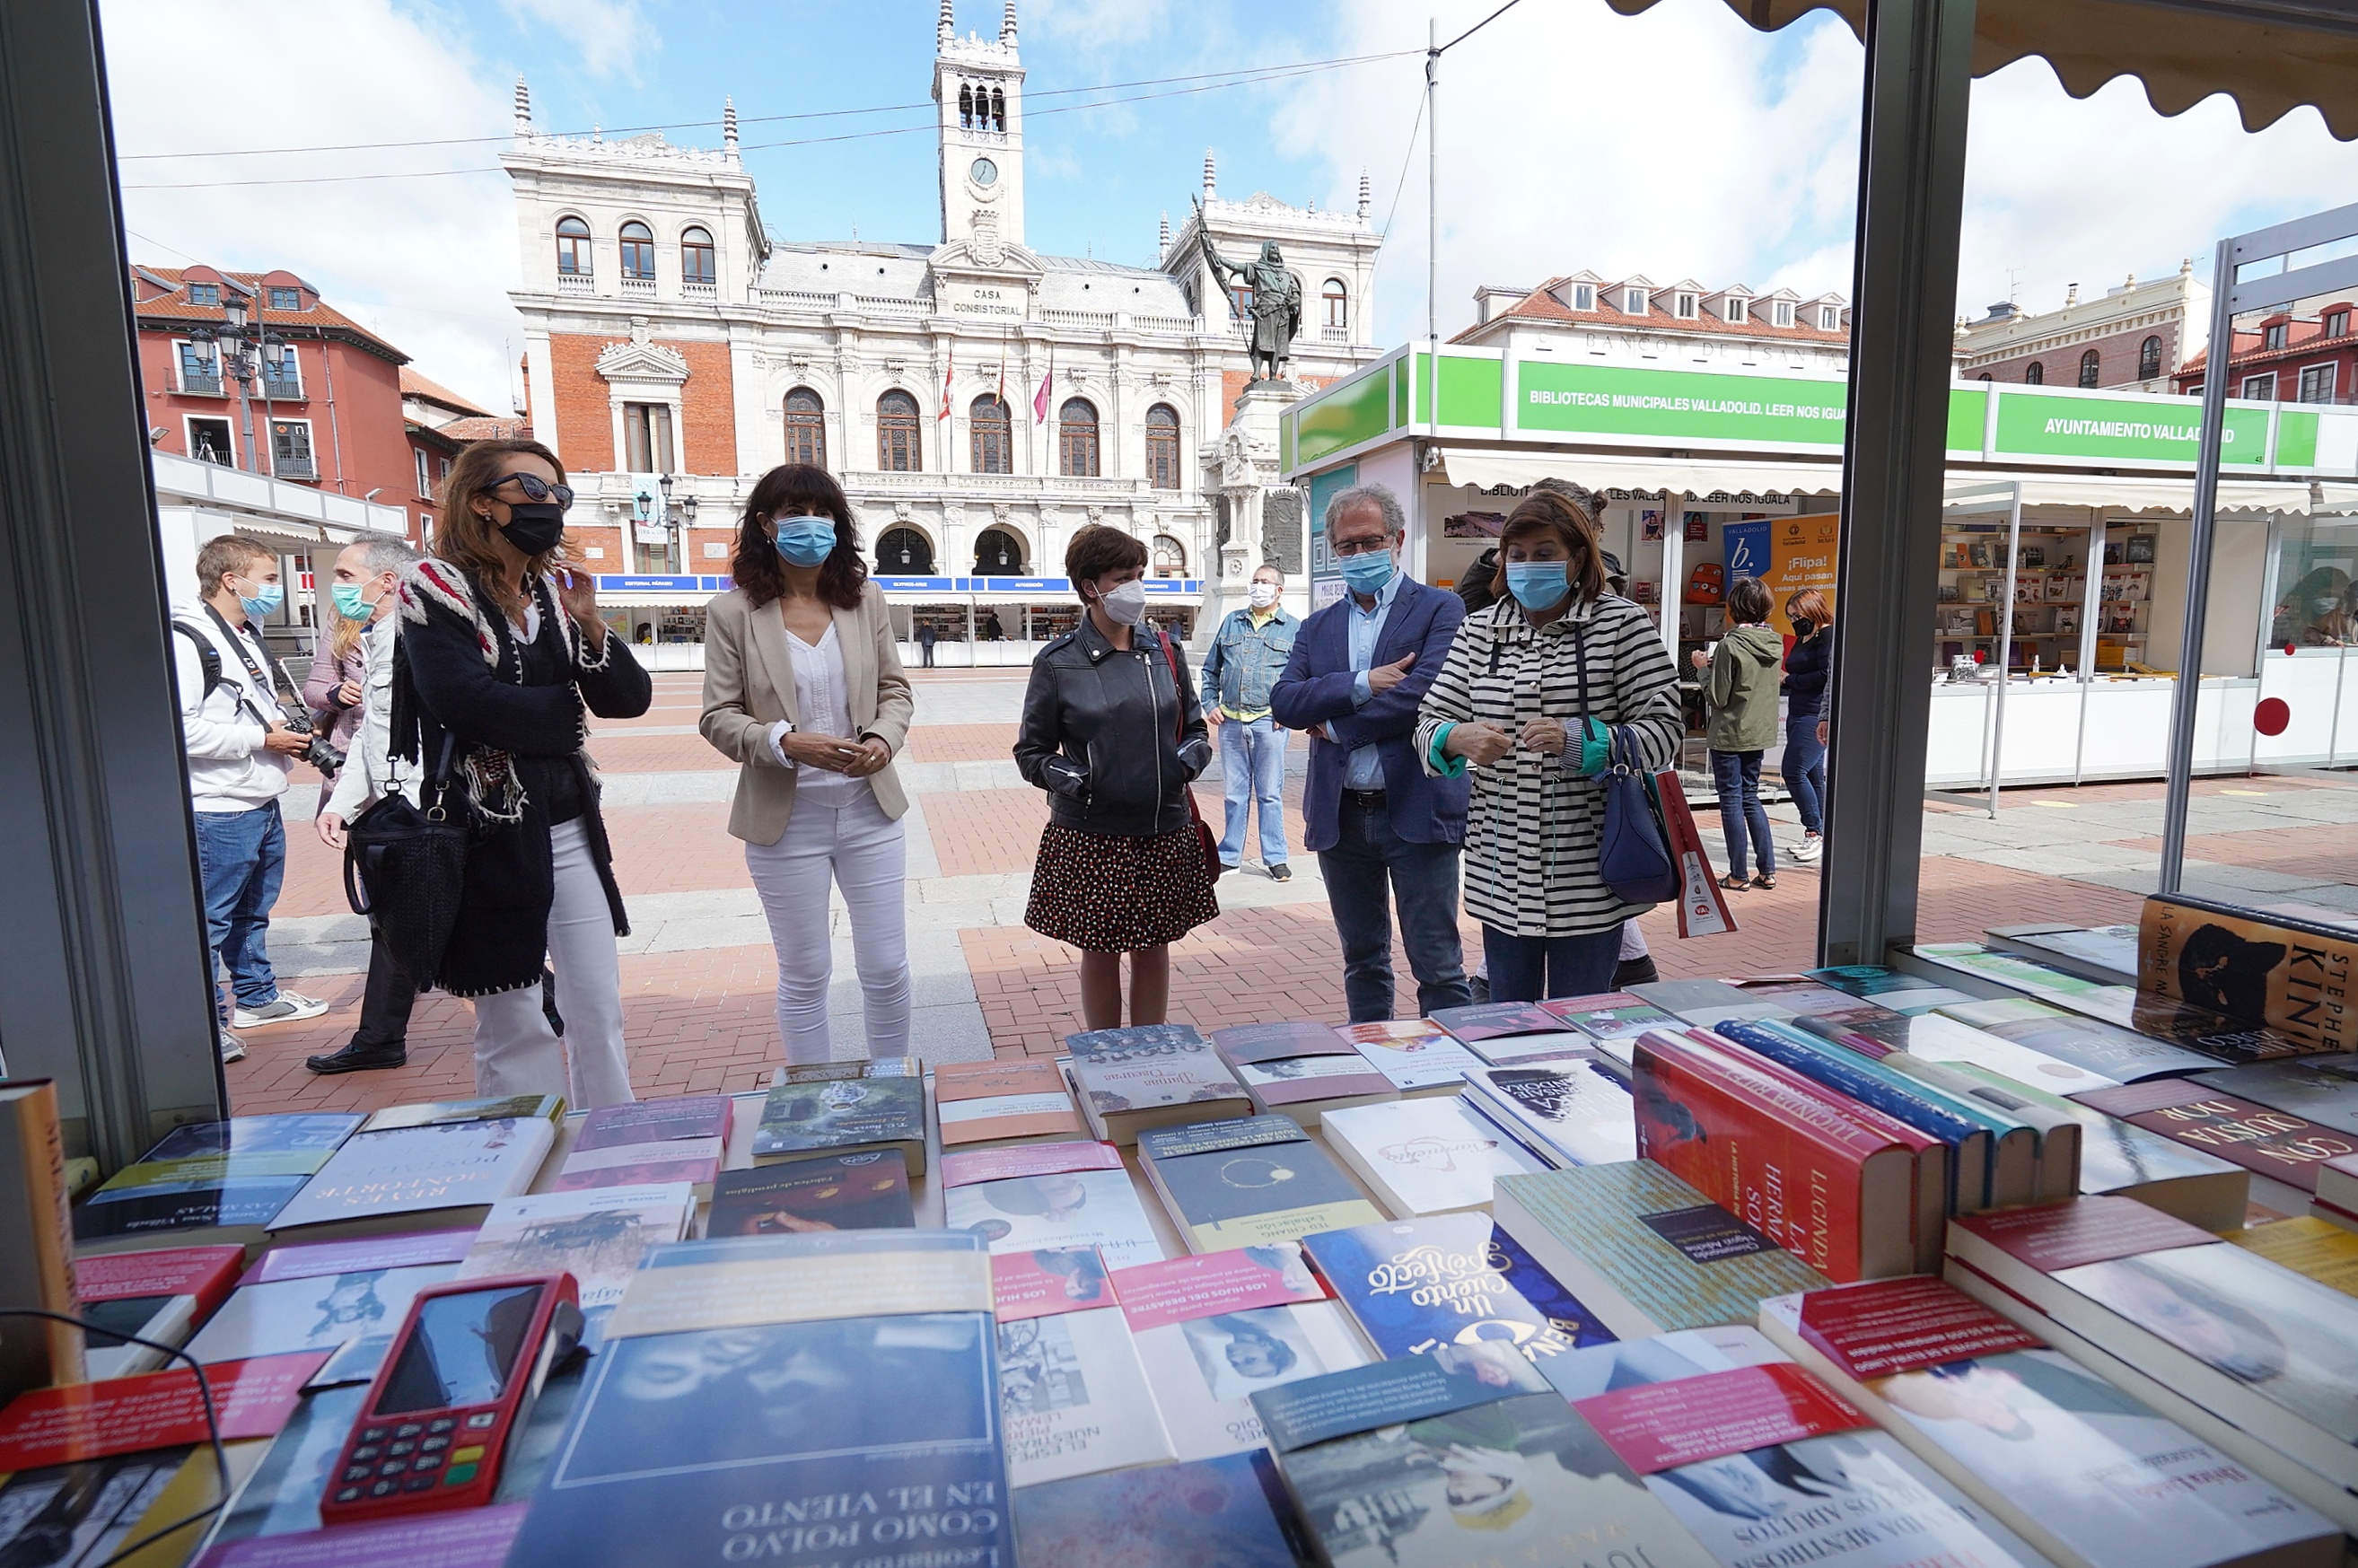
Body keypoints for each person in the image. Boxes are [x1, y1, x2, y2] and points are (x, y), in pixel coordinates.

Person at [392, 439, 652, 1107]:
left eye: (558, 496)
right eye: (532, 492)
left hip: (568, 825)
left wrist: (591, 623)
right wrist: (559, 718)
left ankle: (611, 1140)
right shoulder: (435, 586)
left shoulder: (553, 594)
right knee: (513, 1016)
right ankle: (526, 1153)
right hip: (489, 833)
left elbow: (627, 698)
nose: (550, 507)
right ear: (482, 501)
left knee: (597, 1004)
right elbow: (461, 700)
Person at [1415, 487, 1683, 1002]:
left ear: (1577, 557)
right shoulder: (1477, 631)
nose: (1528, 566)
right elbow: (1428, 721)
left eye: (1544, 554)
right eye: (1517, 554)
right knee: (1508, 1019)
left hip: (1589, 877)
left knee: (1579, 1018)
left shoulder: (1621, 625)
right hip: (1501, 872)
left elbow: (1666, 729)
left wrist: (1581, 741)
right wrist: (1454, 737)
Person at [700, 463, 915, 1065]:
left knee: (885, 963)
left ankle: (891, 1081)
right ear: (767, 524)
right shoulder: (733, 613)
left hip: (869, 809)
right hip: (784, 820)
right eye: (798, 512)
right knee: (805, 969)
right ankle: (813, 1097)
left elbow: (895, 689)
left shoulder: (863, 599)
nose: (812, 525)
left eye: (824, 514)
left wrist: (881, 737)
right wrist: (786, 742)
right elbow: (717, 716)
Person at [1271, 485, 1472, 1021]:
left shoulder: (1439, 608)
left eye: (1370, 542)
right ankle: (1371, 1065)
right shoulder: (1317, 626)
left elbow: (1424, 694)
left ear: (1398, 540)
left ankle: (1452, 1077)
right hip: (1343, 817)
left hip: (1417, 809)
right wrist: (1363, 682)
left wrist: (1335, 726)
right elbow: (1286, 702)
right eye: (1347, 546)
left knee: (1438, 964)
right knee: (1362, 960)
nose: (1359, 555)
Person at [1013, 524, 1217, 1029]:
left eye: (1140, 575)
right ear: (1091, 587)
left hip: (1163, 826)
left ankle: (1151, 1049)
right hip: (1092, 834)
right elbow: (1031, 752)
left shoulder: (1165, 650)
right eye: (1124, 577)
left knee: (1154, 948)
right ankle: (1105, 1056)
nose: (1137, 588)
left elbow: (1193, 727)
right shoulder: (1058, 662)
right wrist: (1080, 780)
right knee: (1100, 951)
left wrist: (1183, 764)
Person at [171, 535, 331, 1062]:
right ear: (230, 580)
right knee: (211, 918)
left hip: (258, 796)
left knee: (252, 910)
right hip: (218, 804)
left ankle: (257, 998)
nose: (275, 588)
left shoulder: (244, 632)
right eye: (266, 578)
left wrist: (282, 733)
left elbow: (248, 704)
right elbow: (182, 729)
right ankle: (203, 1023)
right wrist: (262, 739)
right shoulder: (187, 639)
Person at [309, 536, 425, 1073]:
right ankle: (379, 1038)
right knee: (402, 919)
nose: (338, 586)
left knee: (406, 919)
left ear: (386, 581)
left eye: (345, 574)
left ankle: (379, 1038)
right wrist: (345, 804)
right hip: (395, 804)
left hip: (421, 806)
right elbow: (371, 733)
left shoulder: (416, 635)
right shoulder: (381, 634)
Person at [1199, 563, 1299, 880]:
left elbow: (1300, 678)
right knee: (1235, 794)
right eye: (1255, 581)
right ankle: (1230, 855)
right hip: (1231, 723)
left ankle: (1275, 857)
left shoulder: (1293, 628)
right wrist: (1210, 703)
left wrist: (1288, 711)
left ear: (1279, 590)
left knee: (1270, 793)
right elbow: (1210, 669)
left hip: (1268, 724)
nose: (1258, 586)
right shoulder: (1232, 622)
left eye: (1265, 582)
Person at [1690, 576, 1782, 890]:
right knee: (1750, 797)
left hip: (1730, 732)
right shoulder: (1774, 642)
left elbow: (1716, 697)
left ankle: (1738, 874)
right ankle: (1767, 870)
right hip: (1758, 732)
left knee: (1731, 800)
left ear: (1735, 607)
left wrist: (1703, 667)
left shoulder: (1730, 644)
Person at [1781, 587, 1833, 864]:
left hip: (1814, 713)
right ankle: (1822, 832)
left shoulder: (1827, 635)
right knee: (1813, 775)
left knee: (1793, 770)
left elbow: (1826, 675)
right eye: (1790, 616)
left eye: (1798, 615)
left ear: (1813, 610)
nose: (1794, 621)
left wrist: (1789, 680)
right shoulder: (1805, 636)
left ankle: (1815, 831)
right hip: (1798, 710)